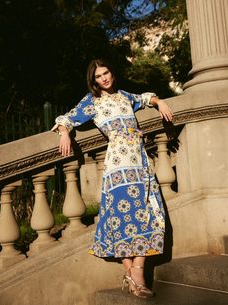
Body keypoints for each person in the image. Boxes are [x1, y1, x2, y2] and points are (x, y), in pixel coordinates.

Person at [53, 58, 173, 298]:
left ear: (112, 73)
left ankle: (134, 272)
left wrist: (159, 102)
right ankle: (133, 273)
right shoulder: (93, 102)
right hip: (118, 167)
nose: (104, 78)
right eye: (98, 76)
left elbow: (144, 98)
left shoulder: (125, 96)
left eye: (106, 73)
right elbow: (67, 118)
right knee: (123, 216)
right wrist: (64, 132)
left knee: (147, 213)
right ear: (93, 80)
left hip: (140, 163)